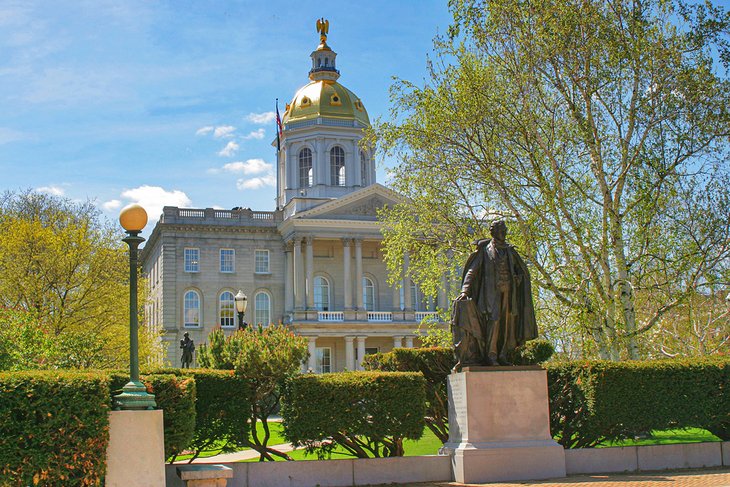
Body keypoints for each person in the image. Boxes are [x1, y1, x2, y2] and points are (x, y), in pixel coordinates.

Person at [453, 220, 538, 367]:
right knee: (494, 321)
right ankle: (491, 355)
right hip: (491, 294)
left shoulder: (510, 251)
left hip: (509, 293)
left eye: (505, 230)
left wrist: (518, 279)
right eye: (501, 230)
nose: (504, 233)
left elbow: (521, 270)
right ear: (494, 232)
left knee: (507, 324)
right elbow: (472, 271)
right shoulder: (485, 250)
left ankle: (502, 354)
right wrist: (465, 290)